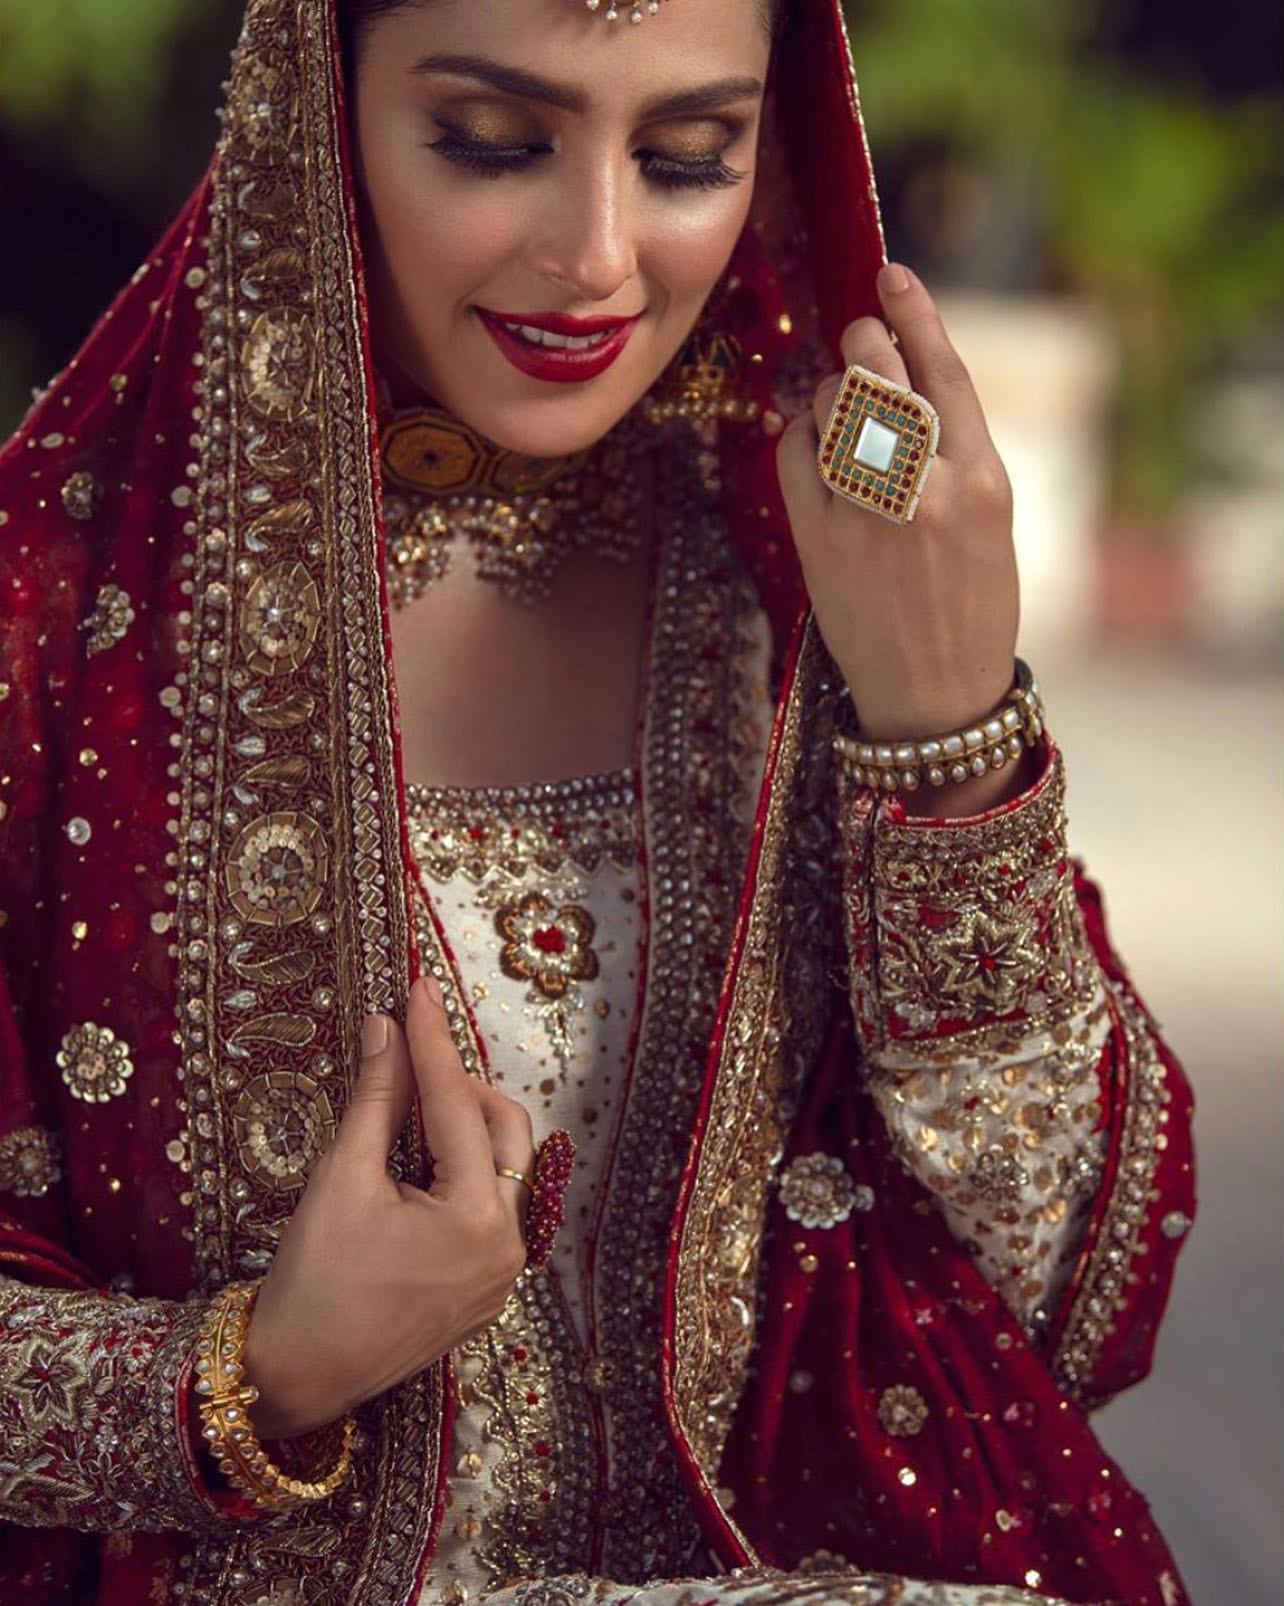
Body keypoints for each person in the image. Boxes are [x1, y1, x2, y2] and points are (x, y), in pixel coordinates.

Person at [0, 0, 1197, 1602]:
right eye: (494, 141)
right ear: (313, 102)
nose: (599, 256)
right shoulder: (60, 619)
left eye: (690, 154)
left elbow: (1077, 1292)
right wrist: (258, 1372)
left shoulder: (794, 565)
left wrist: (951, 728)